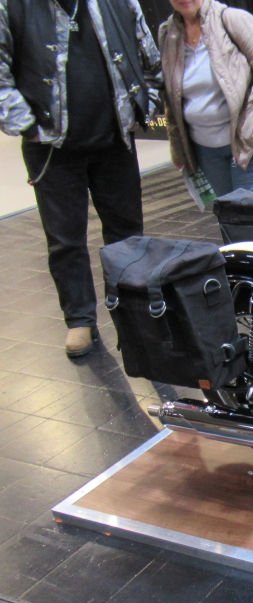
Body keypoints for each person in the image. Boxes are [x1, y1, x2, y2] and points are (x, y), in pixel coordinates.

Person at [0, 0, 162, 358]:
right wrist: (27, 124)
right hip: (52, 150)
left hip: (115, 141)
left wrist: (145, 105)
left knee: (128, 234)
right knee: (65, 241)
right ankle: (80, 319)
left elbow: (151, 59)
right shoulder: (13, 7)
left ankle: (134, 313)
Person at [160, 0, 253, 199]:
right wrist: (179, 148)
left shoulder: (233, 20)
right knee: (230, 214)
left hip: (252, 145)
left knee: (252, 216)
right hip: (206, 152)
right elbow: (171, 100)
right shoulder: (168, 33)